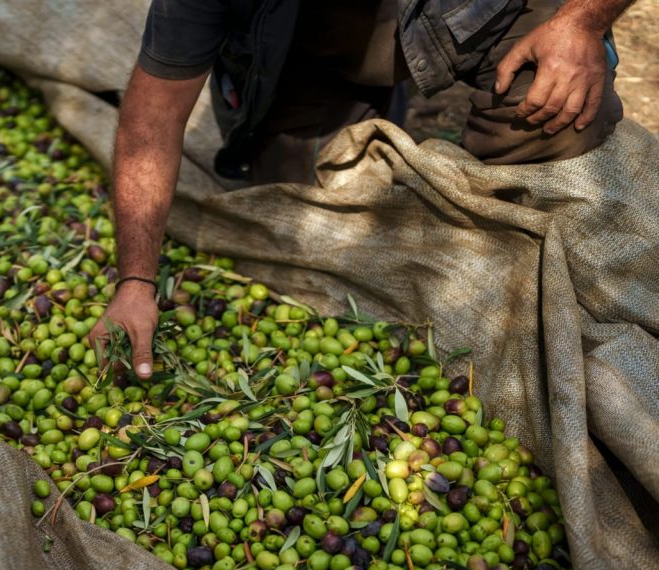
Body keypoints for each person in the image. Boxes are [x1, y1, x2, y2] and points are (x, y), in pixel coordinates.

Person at [88, 0, 629, 379]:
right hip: (310, 43)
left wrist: (582, 20)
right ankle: (362, 98)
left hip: (483, 10)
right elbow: (151, 120)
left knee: (558, 106)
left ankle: (537, 270)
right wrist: (136, 280)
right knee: (301, 212)